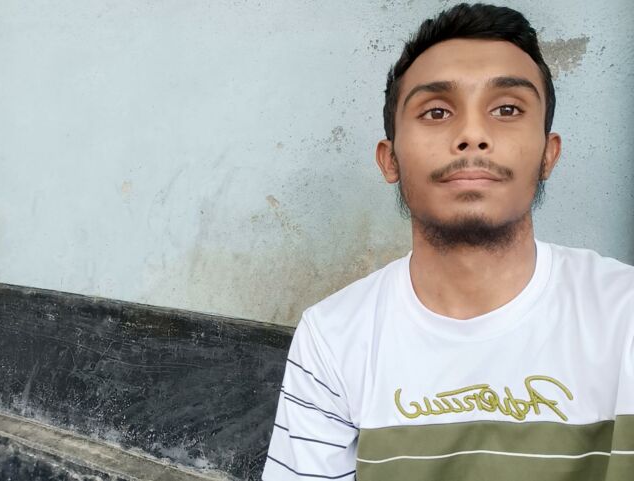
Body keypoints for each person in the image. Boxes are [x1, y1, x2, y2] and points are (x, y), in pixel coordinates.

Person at [262, 3, 634, 480]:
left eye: (507, 109)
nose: (472, 134)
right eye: (436, 111)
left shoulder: (624, 315)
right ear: (390, 159)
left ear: (548, 154)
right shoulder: (332, 337)